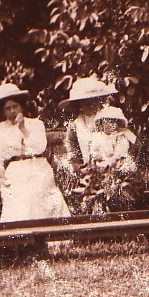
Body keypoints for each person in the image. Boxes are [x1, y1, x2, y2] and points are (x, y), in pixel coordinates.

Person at [0, 83, 71, 225]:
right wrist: (3, 179)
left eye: (15, 106)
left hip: (37, 167)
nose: (12, 111)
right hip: (14, 172)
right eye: (8, 108)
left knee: (39, 200)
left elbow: (39, 147)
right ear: (2, 110)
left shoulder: (36, 124)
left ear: (21, 106)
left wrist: (23, 129)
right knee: (18, 205)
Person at [57, 77, 119, 214]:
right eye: (85, 101)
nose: (90, 105)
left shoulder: (110, 120)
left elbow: (121, 141)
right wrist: (84, 170)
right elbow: (73, 155)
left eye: (93, 100)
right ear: (79, 104)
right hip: (87, 174)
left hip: (112, 169)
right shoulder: (75, 127)